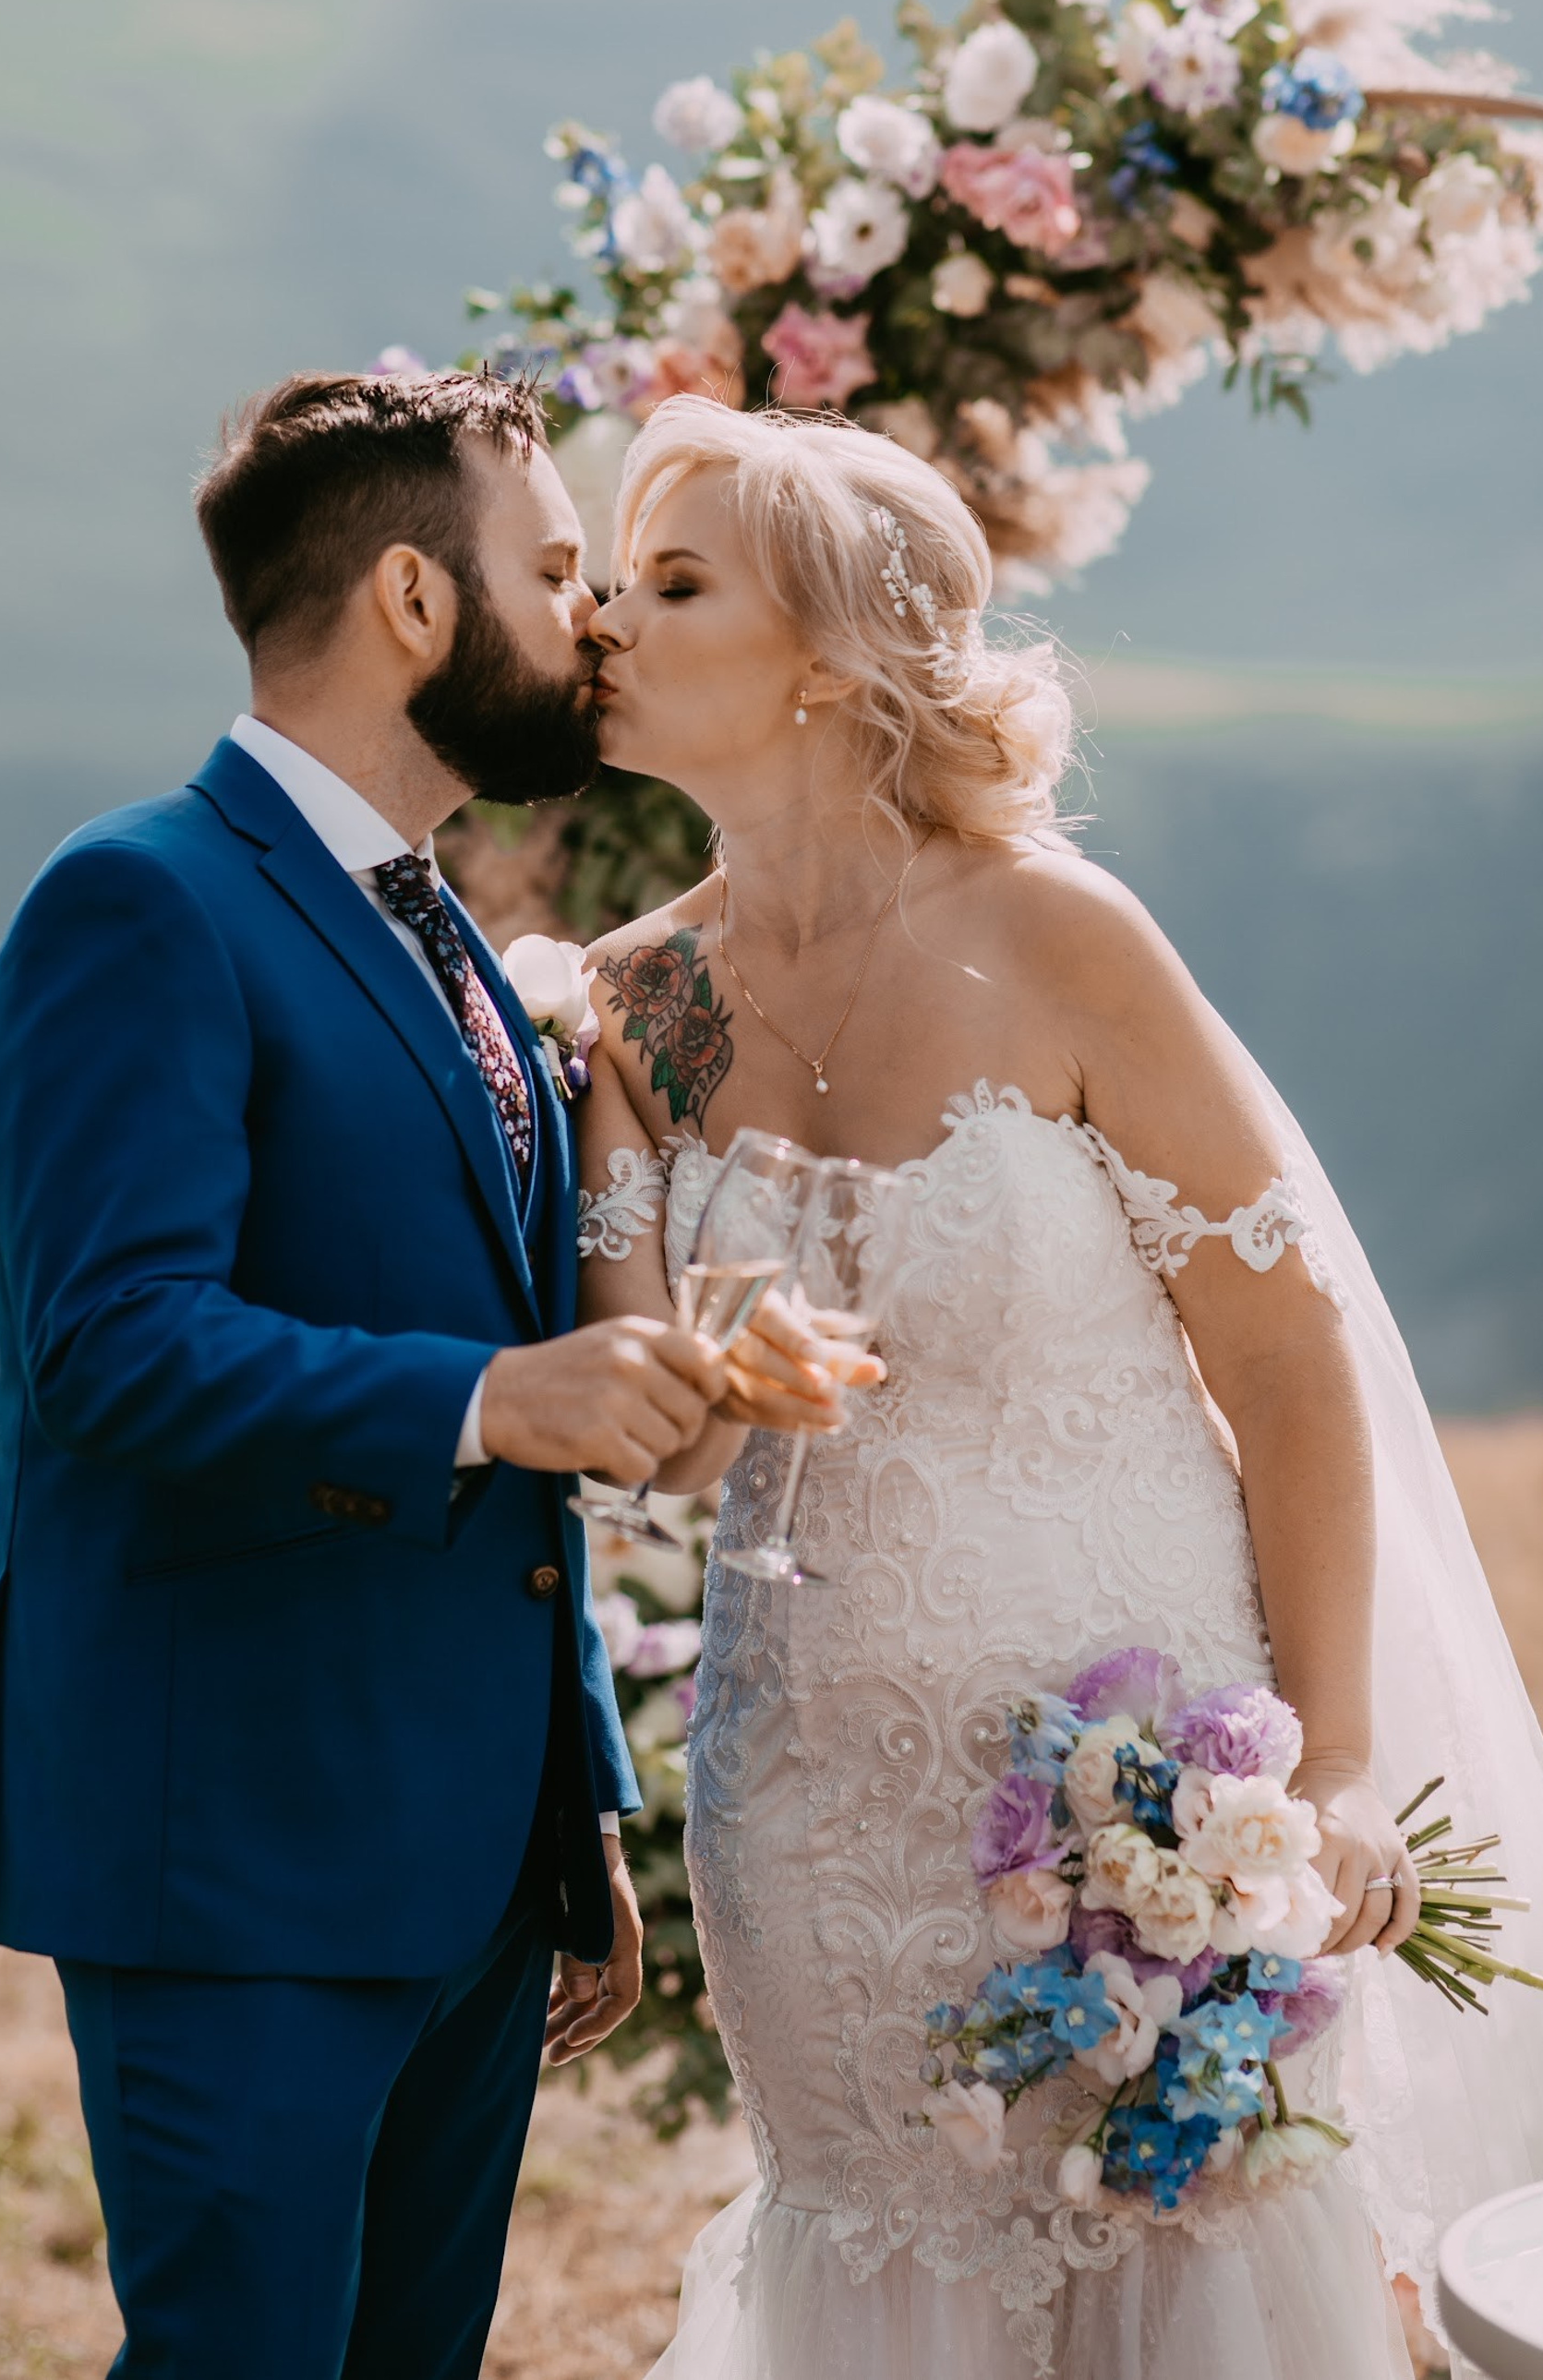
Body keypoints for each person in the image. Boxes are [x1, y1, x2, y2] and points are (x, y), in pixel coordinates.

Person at [573, 394, 1543, 2380]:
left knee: (1188, 2260)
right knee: (876, 2249)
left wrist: (1336, 1767)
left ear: (827, 658)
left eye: (672, 585)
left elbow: (1284, 1356)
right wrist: (711, 1377)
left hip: (1143, 1770)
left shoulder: (1060, 935)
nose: (603, 618)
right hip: (811, 1808)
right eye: (609, 578)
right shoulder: (635, 1000)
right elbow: (649, 1435)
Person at [0, 369, 810, 2380]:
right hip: (235, 1846)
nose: (590, 619)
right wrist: (492, 1398)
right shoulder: (140, 900)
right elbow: (111, 1346)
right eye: (553, 570)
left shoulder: (452, 937)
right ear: (413, 597)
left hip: (471, 1862)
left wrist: (569, 1818)